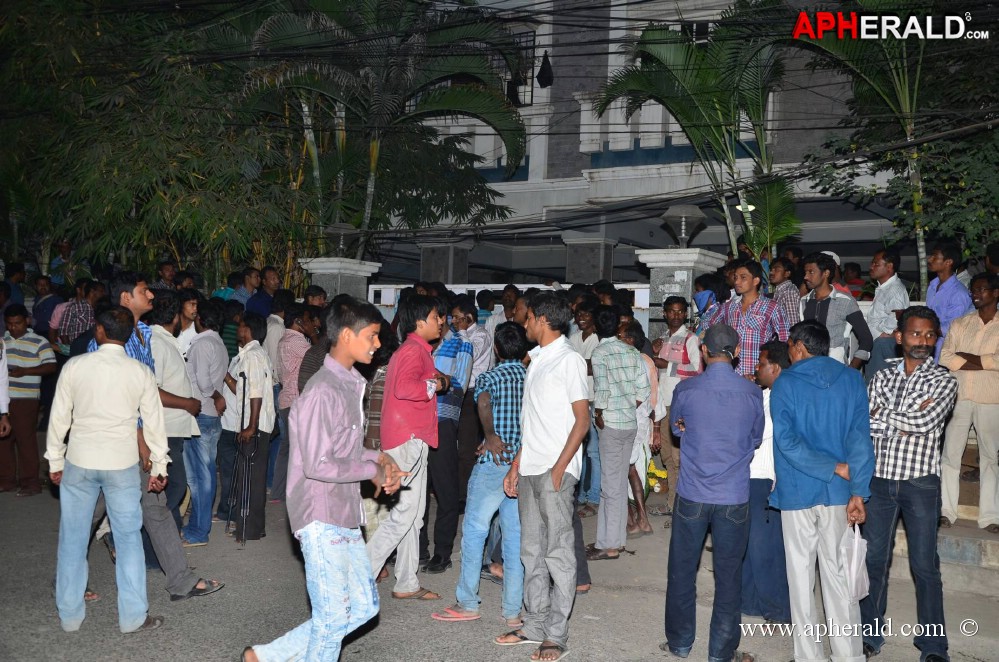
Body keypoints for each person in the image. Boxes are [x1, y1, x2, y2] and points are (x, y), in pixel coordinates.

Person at [242, 299, 404, 662]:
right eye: (372, 336)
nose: (378, 344)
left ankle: (265, 657)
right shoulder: (323, 389)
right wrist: (372, 470)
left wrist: (379, 458)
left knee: (362, 607)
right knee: (332, 620)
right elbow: (318, 464)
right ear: (346, 335)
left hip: (343, 511)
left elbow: (343, 450)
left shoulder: (349, 382)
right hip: (320, 513)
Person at [46, 306, 169, 634]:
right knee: (128, 539)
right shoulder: (140, 372)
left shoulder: (75, 366)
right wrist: (159, 465)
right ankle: (132, 618)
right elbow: (154, 422)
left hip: (81, 461)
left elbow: (59, 417)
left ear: (99, 331)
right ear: (129, 335)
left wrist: (55, 460)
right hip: (121, 464)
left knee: (72, 538)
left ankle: (70, 617)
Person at [770, 320, 874, 661]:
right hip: (840, 493)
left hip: (798, 492)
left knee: (801, 580)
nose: (789, 353)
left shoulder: (786, 382)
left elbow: (786, 442)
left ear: (799, 346)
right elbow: (860, 440)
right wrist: (858, 489)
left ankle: (809, 656)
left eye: (789, 347)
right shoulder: (851, 379)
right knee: (840, 577)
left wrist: (827, 467)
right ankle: (849, 656)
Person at [495, 292, 589, 662]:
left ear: (543, 320)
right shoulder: (536, 361)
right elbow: (532, 423)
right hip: (531, 466)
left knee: (558, 553)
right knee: (530, 551)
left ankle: (556, 634)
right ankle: (534, 624)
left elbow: (582, 422)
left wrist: (559, 468)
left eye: (528, 317)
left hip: (555, 471)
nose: (524, 323)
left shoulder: (569, 361)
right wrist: (517, 465)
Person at [662, 324, 763, 662]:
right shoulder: (751, 393)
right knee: (729, 576)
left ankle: (679, 643)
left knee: (681, 569)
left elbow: (677, 428)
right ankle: (721, 653)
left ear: (703, 351)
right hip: (733, 495)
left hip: (692, 492)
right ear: (735, 353)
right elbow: (755, 437)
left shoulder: (686, 389)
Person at [862, 306, 957, 661]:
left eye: (930, 335)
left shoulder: (944, 380)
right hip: (880, 481)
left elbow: (927, 422)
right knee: (873, 560)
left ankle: (933, 645)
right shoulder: (881, 377)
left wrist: (887, 417)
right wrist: (904, 418)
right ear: (900, 337)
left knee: (924, 566)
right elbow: (866, 423)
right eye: (916, 334)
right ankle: (869, 635)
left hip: (920, 483)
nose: (924, 341)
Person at [431, 322, 528, 627]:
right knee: (514, 538)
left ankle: (468, 602)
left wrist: (490, 436)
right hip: (521, 463)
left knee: (474, 531)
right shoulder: (531, 376)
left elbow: (483, 401)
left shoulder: (490, 375)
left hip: (495, 462)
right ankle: (513, 610)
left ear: (496, 349)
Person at [366, 294, 447, 601]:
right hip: (407, 440)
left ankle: (407, 582)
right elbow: (404, 388)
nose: (441, 321)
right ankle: (360, 575)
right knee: (403, 516)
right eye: (436, 316)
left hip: (409, 438)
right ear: (419, 321)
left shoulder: (415, 350)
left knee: (414, 516)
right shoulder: (414, 350)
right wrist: (435, 385)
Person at [588, 305, 650, 560]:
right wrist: (626, 406)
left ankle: (610, 545)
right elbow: (643, 390)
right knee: (617, 482)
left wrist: (600, 413)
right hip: (629, 423)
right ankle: (614, 540)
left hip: (611, 424)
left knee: (610, 487)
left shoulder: (600, 352)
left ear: (595, 327)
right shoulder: (631, 351)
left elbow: (601, 389)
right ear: (616, 327)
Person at [940, 272, 999, 533]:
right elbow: (945, 356)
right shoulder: (960, 323)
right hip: (959, 396)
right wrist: (985, 361)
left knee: (990, 459)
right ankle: (945, 511)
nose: (975, 293)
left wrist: (967, 358)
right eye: (974, 289)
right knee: (950, 455)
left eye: (981, 289)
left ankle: (990, 516)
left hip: (991, 398)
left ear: (995, 293)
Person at [421, 297, 474, 574]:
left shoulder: (461, 343)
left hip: (442, 421)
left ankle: (442, 552)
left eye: (437, 317)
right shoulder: (422, 345)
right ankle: (419, 550)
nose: (440, 322)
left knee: (445, 491)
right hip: (419, 422)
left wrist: (429, 375)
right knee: (417, 492)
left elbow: (459, 385)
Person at [743, 340, 791, 624]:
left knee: (765, 549)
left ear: (775, 367)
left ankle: (778, 610)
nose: (756, 368)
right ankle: (749, 602)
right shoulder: (766, 393)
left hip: (766, 478)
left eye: (761, 364)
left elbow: (757, 434)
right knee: (749, 544)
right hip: (752, 476)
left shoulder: (780, 399)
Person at [146, 291, 201, 530]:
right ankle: (151, 533)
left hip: (173, 426)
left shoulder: (165, 340)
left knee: (170, 486)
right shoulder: (157, 343)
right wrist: (187, 403)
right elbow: (151, 391)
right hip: (165, 426)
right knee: (176, 485)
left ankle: (169, 534)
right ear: (176, 317)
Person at [217, 312, 275, 543]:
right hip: (256, 423)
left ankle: (248, 530)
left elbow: (255, 392)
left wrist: (251, 425)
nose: (237, 330)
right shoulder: (255, 354)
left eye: (240, 326)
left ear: (247, 329)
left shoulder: (252, 356)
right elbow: (243, 389)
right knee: (251, 477)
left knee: (250, 479)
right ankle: (252, 527)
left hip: (256, 424)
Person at [182, 299, 229, 547]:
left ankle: (199, 531)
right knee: (204, 476)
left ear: (201, 319)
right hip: (210, 415)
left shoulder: (202, 344)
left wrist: (215, 394)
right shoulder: (218, 343)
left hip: (202, 413)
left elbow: (202, 382)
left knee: (200, 479)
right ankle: (197, 527)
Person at [651, 296, 701, 518]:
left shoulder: (690, 339)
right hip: (662, 405)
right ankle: (672, 505)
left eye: (680, 312)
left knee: (679, 458)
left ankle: (679, 507)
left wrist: (667, 365)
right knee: (667, 458)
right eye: (671, 311)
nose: (676, 315)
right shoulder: (662, 340)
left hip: (680, 405)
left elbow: (697, 369)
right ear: (664, 313)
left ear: (685, 314)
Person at [1, 304, 54, 496]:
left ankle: (30, 483)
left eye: (18, 323)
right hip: (4, 399)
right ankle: (7, 480)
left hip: (27, 398)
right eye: (10, 324)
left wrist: (26, 371)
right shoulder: (2, 342)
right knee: (4, 441)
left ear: (27, 321)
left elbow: (50, 366)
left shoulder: (39, 341)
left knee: (26, 440)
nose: (14, 328)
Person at [270, 303, 320, 504]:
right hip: (297, 400)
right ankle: (297, 493)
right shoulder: (298, 342)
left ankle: (279, 492)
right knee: (302, 449)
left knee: (287, 448)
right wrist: (313, 333)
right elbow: (321, 357)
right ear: (299, 321)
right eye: (307, 320)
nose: (311, 324)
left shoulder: (284, 339)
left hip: (286, 399)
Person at [713, 259, 790, 377]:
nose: (737, 282)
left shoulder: (771, 307)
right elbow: (708, 329)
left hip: (758, 375)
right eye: (735, 277)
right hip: (732, 374)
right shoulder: (728, 308)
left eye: (743, 277)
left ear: (756, 281)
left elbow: (784, 339)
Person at [800, 251, 874, 368]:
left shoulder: (845, 301)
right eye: (805, 272)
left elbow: (866, 339)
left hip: (835, 368)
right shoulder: (804, 302)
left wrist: (851, 370)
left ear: (826, 273)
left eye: (811, 272)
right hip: (809, 369)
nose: (806, 277)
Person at [456, 294, 494, 504]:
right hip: (460, 393)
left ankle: (466, 496)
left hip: (473, 394)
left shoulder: (480, 335)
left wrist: (462, 332)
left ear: (469, 317)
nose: (454, 321)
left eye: (457, 317)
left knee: (467, 449)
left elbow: (470, 353)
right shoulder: (460, 334)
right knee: (460, 446)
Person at [865, 249, 911, 381]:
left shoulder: (895, 290)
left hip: (884, 344)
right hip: (880, 343)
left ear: (889, 266)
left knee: (880, 386)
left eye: (876, 264)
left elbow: (899, 317)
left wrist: (882, 333)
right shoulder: (884, 288)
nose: (871, 267)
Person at [926, 242, 974, 359]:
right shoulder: (933, 286)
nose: (930, 259)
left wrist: (924, 329)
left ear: (948, 262)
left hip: (946, 350)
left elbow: (951, 328)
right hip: (930, 343)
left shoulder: (958, 293)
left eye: (935, 256)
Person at [768, 257, 801, 326]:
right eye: (771, 269)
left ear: (787, 274)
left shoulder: (789, 292)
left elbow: (793, 324)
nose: (771, 272)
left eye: (776, 269)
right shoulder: (781, 291)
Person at [30, 274, 63, 339]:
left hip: (51, 333)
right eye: (40, 284)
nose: (43, 286)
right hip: (37, 332)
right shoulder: (37, 299)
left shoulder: (57, 300)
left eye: (46, 284)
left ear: (50, 286)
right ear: (35, 286)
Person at [175, 288, 199, 358]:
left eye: (197, 305)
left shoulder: (199, 331)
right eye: (192, 304)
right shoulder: (169, 327)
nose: (195, 309)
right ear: (181, 305)